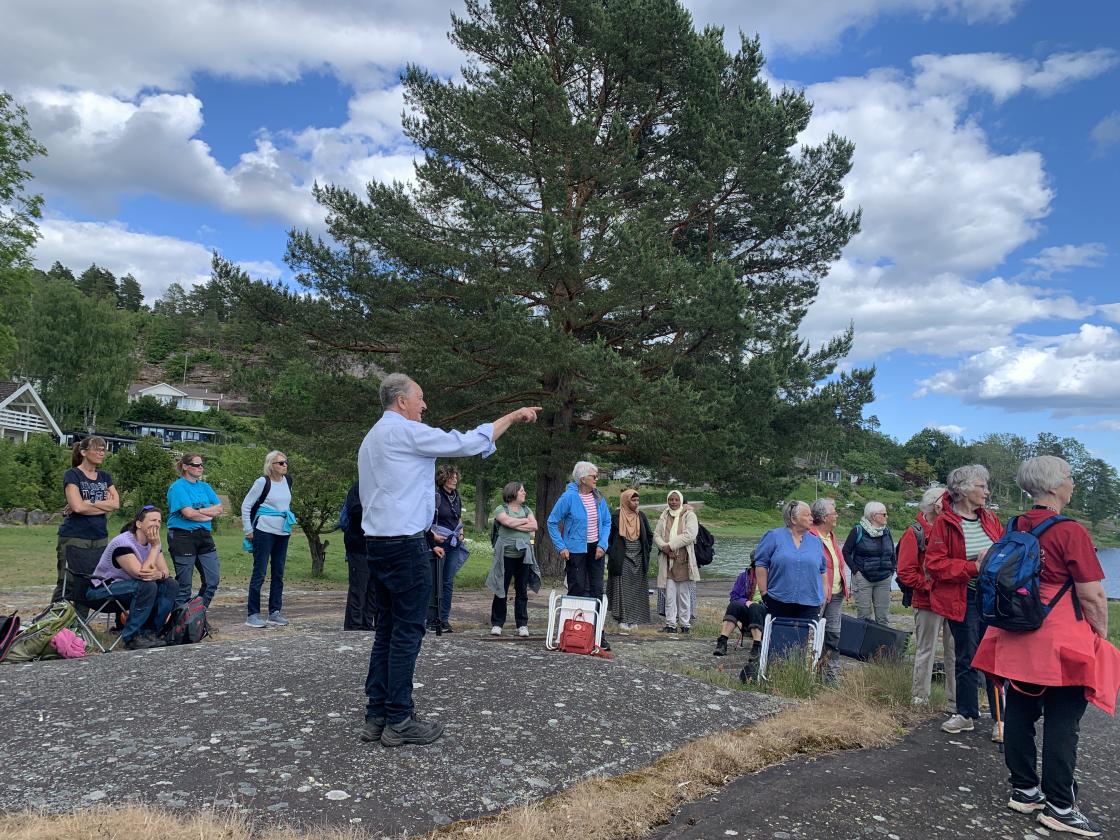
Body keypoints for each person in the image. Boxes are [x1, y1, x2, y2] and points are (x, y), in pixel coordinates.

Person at [358, 373, 539, 748]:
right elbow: (466, 442)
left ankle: (376, 716)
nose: (425, 406)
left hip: (377, 543)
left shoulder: (371, 438)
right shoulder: (405, 432)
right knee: (408, 631)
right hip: (404, 546)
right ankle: (399, 719)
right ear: (401, 401)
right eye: (420, 398)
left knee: (387, 631)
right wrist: (511, 416)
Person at [972, 456, 1119, 837]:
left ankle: (1024, 789)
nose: (1072, 484)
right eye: (1070, 478)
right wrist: (1098, 635)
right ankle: (1060, 806)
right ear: (1055, 486)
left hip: (1016, 632)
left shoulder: (1014, 524)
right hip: (1058, 640)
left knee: (1020, 709)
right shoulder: (1071, 531)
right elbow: (1093, 596)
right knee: (1063, 721)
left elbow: (988, 562)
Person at [925, 464, 1004, 738]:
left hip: (992, 598)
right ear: (964, 489)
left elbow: (1003, 548)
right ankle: (966, 713)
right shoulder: (945, 523)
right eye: (982, 486)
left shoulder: (990, 519)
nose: (986, 491)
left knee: (995, 656)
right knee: (967, 657)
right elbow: (934, 565)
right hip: (964, 598)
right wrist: (974, 568)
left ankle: (1001, 720)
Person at [741, 501, 827, 682]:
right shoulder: (773, 536)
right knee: (776, 640)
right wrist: (764, 592)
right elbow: (761, 564)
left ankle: (799, 680)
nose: (812, 518)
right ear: (793, 518)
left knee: (805, 643)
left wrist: (824, 594)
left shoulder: (816, 541)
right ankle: (769, 676)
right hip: (778, 598)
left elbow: (822, 570)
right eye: (807, 515)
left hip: (810, 601)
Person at [896, 485, 957, 712]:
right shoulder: (914, 532)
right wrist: (928, 586)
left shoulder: (949, 529)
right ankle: (920, 697)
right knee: (926, 649)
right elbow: (905, 571)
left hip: (951, 600)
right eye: (946, 502)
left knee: (954, 651)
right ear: (935, 505)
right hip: (927, 600)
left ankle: (955, 700)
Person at [87, 505, 177, 650]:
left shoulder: (153, 542)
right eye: (152, 520)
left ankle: (150, 633)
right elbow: (141, 574)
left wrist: (159, 574)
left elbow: (165, 572)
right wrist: (154, 548)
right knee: (147, 585)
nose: (157, 524)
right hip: (102, 591)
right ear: (139, 524)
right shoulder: (123, 543)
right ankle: (131, 637)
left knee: (170, 584)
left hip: (132, 590)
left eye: (159, 521)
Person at [546, 461, 613, 649]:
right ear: (583, 479)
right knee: (577, 588)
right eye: (594, 476)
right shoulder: (568, 497)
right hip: (575, 550)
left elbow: (607, 522)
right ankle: (571, 633)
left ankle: (598, 634)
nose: (597, 479)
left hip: (596, 550)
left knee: (596, 590)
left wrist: (603, 544)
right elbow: (552, 521)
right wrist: (561, 547)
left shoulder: (598, 497)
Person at [54, 436, 120, 603]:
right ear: (83, 452)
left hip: (99, 536)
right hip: (74, 536)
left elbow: (116, 504)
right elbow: (77, 508)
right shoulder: (73, 474)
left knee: (90, 581)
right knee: (68, 582)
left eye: (103, 450)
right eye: (97, 449)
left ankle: (79, 624)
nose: (101, 453)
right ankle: (55, 623)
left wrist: (89, 502)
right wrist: (102, 505)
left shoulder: (105, 477)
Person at [240, 450, 296, 628]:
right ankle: (253, 614)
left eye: (286, 462)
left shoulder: (288, 481)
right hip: (264, 531)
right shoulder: (262, 482)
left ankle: (275, 612)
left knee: (278, 573)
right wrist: (248, 529)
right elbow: (246, 505)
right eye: (280, 463)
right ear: (271, 465)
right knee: (260, 572)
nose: (284, 465)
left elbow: (285, 505)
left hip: (283, 532)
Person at [166, 453, 224, 608]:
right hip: (182, 536)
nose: (201, 468)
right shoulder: (177, 487)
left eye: (202, 465)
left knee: (212, 580)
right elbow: (188, 514)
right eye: (196, 465)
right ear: (185, 466)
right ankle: (176, 624)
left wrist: (199, 512)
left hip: (203, 535)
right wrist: (206, 513)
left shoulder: (205, 486)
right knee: (184, 586)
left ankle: (196, 617)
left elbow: (219, 508)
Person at [486, 481, 541, 636]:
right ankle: (497, 623)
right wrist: (524, 522)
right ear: (513, 492)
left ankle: (522, 624)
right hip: (505, 555)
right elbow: (507, 521)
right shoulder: (501, 509)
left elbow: (534, 526)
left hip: (523, 556)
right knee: (500, 588)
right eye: (522, 491)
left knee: (522, 589)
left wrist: (514, 524)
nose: (524, 493)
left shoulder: (526, 509)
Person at [809, 498, 850, 685]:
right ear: (825, 517)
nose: (837, 516)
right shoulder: (811, 536)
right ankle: (809, 673)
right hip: (817, 594)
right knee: (813, 634)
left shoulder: (832, 536)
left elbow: (837, 565)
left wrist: (844, 587)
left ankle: (831, 677)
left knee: (833, 635)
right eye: (834, 513)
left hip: (836, 593)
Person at [427, 464, 468, 632]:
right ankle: (431, 618)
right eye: (451, 477)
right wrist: (432, 537)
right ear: (443, 478)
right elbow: (426, 518)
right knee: (434, 581)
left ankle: (444, 619)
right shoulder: (435, 496)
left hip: (453, 543)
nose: (454, 480)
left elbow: (458, 517)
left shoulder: (456, 496)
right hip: (438, 542)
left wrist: (461, 533)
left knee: (448, 582)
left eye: (456, 477)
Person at [653, 490, 700, 634]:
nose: (673, 502)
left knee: (684, 593)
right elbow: (657, 534)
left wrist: (670, 545)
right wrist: (664, 547)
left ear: (681, 501)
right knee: (669, 593)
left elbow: (690, 535)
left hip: (683, 559)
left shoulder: (689, 515)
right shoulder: (664, 515)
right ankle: (670, 624)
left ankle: (685, 624)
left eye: (676, 500)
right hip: (667, 559)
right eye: (671, 500)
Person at [606, 488, 653, 631]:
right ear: (626, 500)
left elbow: (649, 536)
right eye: (633, 500)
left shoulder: (641, 516)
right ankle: (622, 618)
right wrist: (613, 552)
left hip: (638, 558)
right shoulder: (616, 516)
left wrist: (645, 551)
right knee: (622, 589)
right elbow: (608, 537)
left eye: (637, 500)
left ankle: (634, 619)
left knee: (636, 590)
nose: (636, 502)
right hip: (622, 558)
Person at [842, 501, 894, 625]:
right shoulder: (857, 530)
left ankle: (882, 644)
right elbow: (845, 552)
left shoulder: (887, 532)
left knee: (883, 618)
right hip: (863, 578)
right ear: (873, 516)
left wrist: (892, 570)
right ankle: (864, 644)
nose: (887, 517)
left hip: (884, 579)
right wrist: (856, 571)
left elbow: (893, 552)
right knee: (864, 617)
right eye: (884, 514)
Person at [342, 480, 377, 631]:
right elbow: (354, 510)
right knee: (359, 585)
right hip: (358, 543)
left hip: (375, 543)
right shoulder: (358, 486)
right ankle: (354, 624)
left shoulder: (380, 486)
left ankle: (367, 622)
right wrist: (376, 511)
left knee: (373, 587)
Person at [712, 562, 765, 657]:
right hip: (747, 609)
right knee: (734, 605)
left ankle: (756, 646)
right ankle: (722, 642)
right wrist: (746, 602)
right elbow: (734, 596)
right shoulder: (744, 576)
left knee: (755, 607)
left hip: (764, 610)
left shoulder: (772, 577)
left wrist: (759, 603)